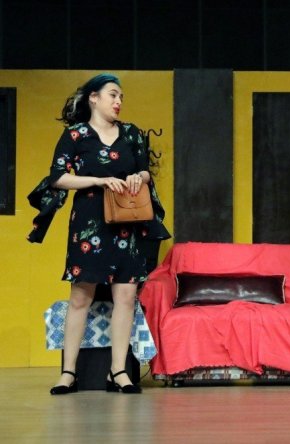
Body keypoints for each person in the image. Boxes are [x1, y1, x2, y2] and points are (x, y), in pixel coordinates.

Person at [27, 73, 170, 395]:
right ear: (94, 97)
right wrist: (98, 180)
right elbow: (58, 177)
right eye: (112, 95)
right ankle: (68, 373)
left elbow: (145, 171)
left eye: (121, 97)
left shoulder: (131, 133)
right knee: (81, 296)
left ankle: (118, 371)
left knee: (126, 297)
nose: (118, 101)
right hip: (89, 222)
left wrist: (138, 177)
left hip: (127, 221)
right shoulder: (75, 135)